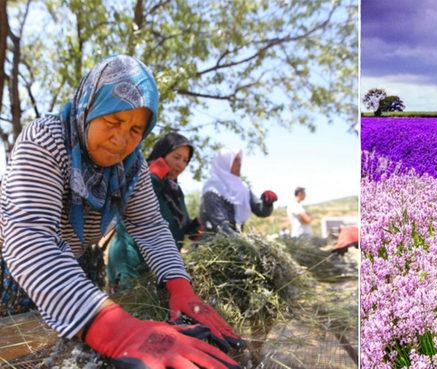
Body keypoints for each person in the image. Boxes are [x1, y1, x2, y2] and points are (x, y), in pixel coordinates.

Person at [0, 55, 241, 368]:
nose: (121, 140)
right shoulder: (46, 142)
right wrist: (117, 331)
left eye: (136, 129)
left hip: (75, 270)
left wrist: (178, 284)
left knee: (63, 356)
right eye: (113, 121)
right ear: (89, 106)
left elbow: (151, 226)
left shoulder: (132, 168)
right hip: (18, 271)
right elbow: (30, 239)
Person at [107, 132, 201, 291]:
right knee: (130, 308)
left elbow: (180, 226)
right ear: (162, 154)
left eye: (185, 161)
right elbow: (131, 206)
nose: (181, 165)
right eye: (176, 157)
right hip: (129, 259)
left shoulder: (176, 192)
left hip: (157, 267)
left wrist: (199, 225)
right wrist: (154, 177)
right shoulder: (142, 179)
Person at [199, 149, 277, 235]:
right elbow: (221, 226)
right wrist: (245, 242)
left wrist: (267, 202)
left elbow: (261, 211)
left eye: (240, 160)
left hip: (235, 243)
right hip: (213, 243)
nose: (239, 164)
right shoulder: (212, 190)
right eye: (235, 160)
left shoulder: (242, 189)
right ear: (225, 162)